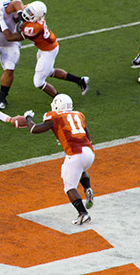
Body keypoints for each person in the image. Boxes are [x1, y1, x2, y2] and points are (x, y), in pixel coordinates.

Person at [23, 94, 94, 225]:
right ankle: (87, 188)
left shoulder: (54, 116)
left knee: (69, 187)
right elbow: (87, 136)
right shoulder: (78, 114)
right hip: (89, 152)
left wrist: (28, 118)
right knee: (80, 169)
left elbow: (34, 129)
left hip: (75, 153)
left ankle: (83, 213)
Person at [0, 1, 90, 98]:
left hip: (48, 51)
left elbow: (10, 37)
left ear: (37, 17)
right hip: (44, 48)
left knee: (38, 82)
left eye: (31, 14)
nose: (27, 13)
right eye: (29, 11)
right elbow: (20, 8)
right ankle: (81, 80)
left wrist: (0, 19)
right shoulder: (32, 9)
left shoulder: (34, 28)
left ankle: (59, 100)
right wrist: (21, 14)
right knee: (49, 72)